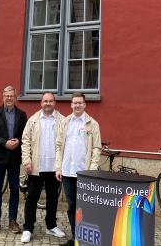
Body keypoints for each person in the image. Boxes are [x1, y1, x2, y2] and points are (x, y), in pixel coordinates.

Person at [55, 92, 101, 246]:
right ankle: (76, 237)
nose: (77, 105)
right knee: (72, 206)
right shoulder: (65, 122)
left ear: (85, 104)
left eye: (80, 103)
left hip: (84, 173)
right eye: (74, 103)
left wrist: (92, 170)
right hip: (67, 171)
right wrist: (58, 167)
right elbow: (59, 146)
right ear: (71, 104)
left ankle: (86, 238)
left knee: (85, 207)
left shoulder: (92, 124)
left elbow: (96, 148)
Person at [20, 92, 65, 244]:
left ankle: (51, 225)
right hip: (36, 167)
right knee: (32, 198)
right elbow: (25, 141)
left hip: (54, 167)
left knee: (53, 198)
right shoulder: (33, 120)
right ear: (41, 103)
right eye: (45, 101)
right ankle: (28, 228)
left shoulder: (62, 121)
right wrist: (27, 161)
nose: (48, 103)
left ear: (54, 103)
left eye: (50, 101)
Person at [0, 86, 27, 233]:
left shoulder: (22, 115)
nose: (9, 98)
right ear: (3, 97)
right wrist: (4, 142)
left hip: (15, 157)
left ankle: (12, 221)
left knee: (15, 189)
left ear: (15, 97)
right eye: (7, 96)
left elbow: (25, 134)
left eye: (11, 96)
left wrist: (18, 141)